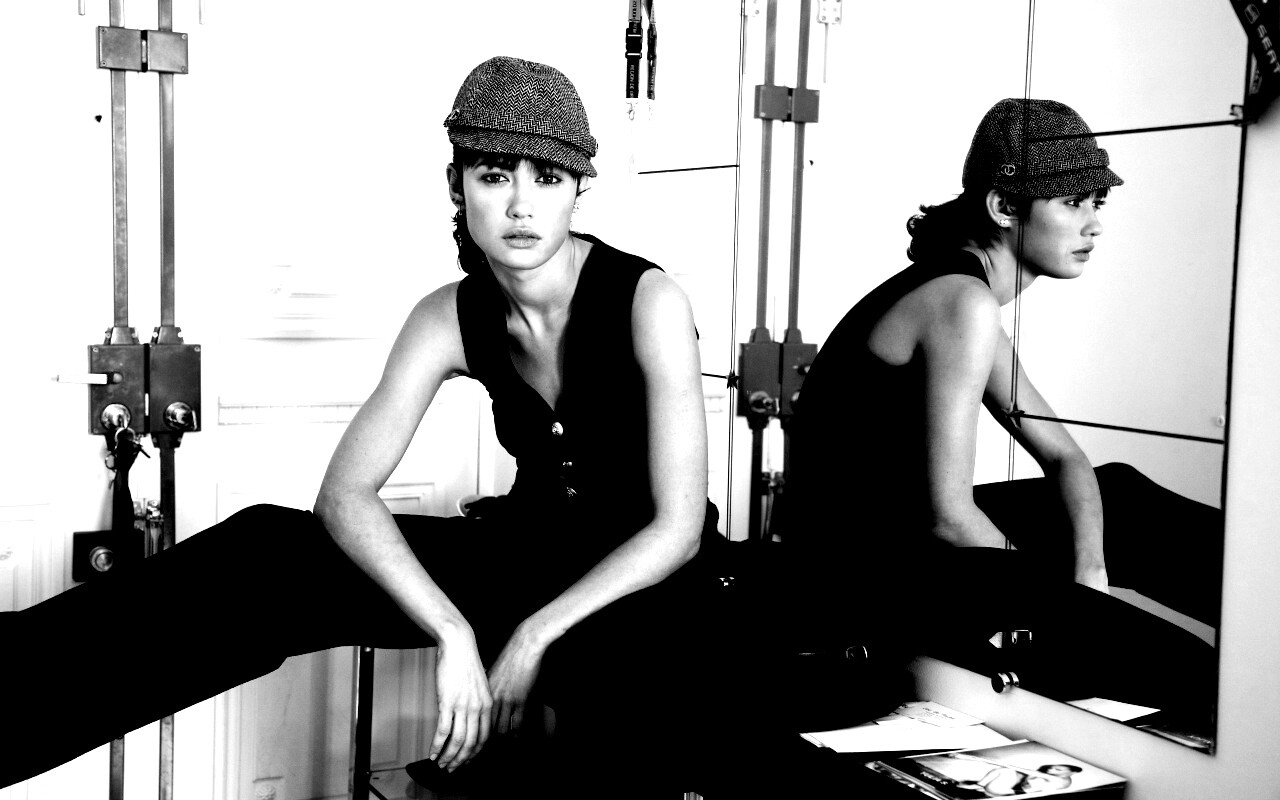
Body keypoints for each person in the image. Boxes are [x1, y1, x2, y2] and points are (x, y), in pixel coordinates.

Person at [0, 55, 778, 795]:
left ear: (578, 190)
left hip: (651, 584)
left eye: (547, 178)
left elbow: (677, 529)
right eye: (494, 175)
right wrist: (453, 632)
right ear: (457, 183)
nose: (520, 206)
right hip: (526, 558)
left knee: (632, 700)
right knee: (270, 550)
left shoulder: (649, 300)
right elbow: (344, 497)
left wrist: (531, 637)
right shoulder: (448, 316)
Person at [777, 98, 1222, 721]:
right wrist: (1060, 603)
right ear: (1004, 207)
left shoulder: (959, 293)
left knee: (1119, 496)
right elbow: (949, 518)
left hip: (913, 550)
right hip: (859, 583)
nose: (1095, 225)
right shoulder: (962, 302)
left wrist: (1090, 573)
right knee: (1202, 678)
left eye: (1098, 202)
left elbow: (1066, 459)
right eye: (1073, 202)